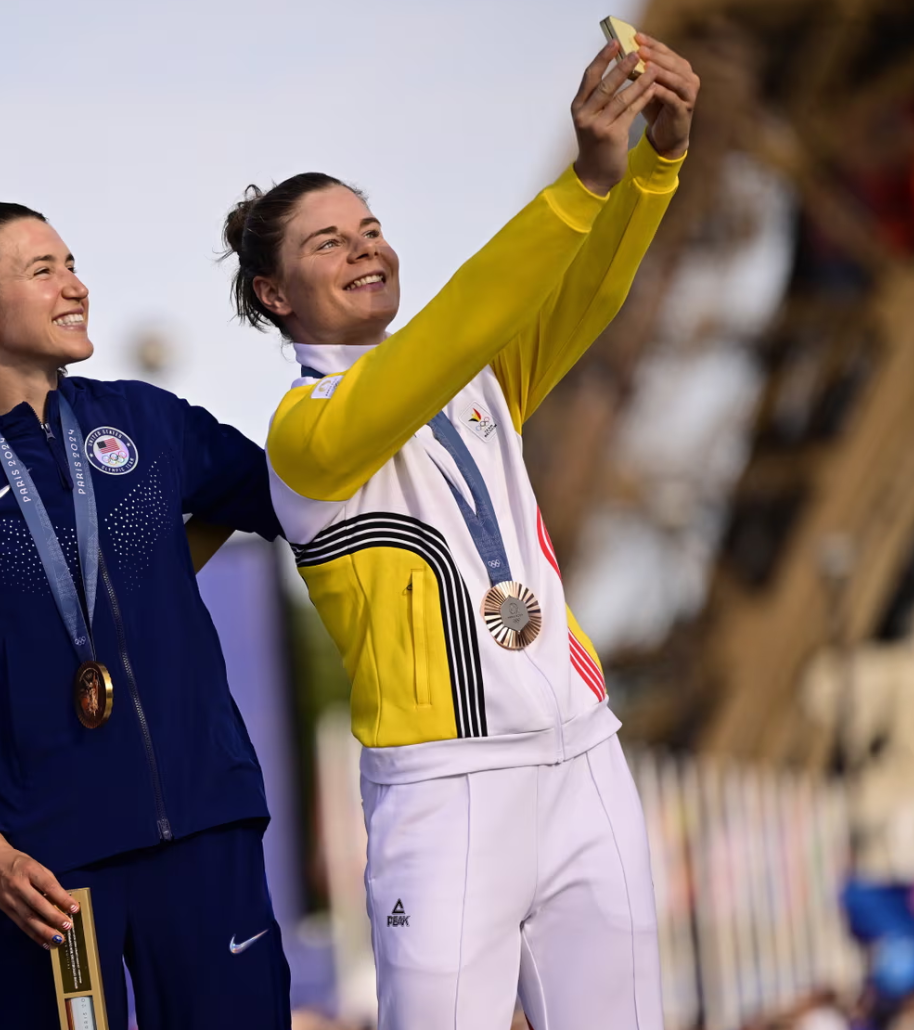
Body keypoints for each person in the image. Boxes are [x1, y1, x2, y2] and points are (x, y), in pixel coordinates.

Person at [225, 36, 700, 1029]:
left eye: (371, 227)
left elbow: (588, 293)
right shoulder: (304, 437)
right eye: (327, 242)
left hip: (583, 756)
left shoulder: (478, 384)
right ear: (273, 295)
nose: (364, 246)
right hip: (446, 788)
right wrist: (580, 184)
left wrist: (655, 162)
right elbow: (452, 331)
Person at [0, 202, 289, 1029]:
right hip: (46, 873)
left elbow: (288, 490)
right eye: (42, 269)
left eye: (72, 263)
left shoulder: (147, 422)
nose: (75, 285)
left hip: (205, 831)